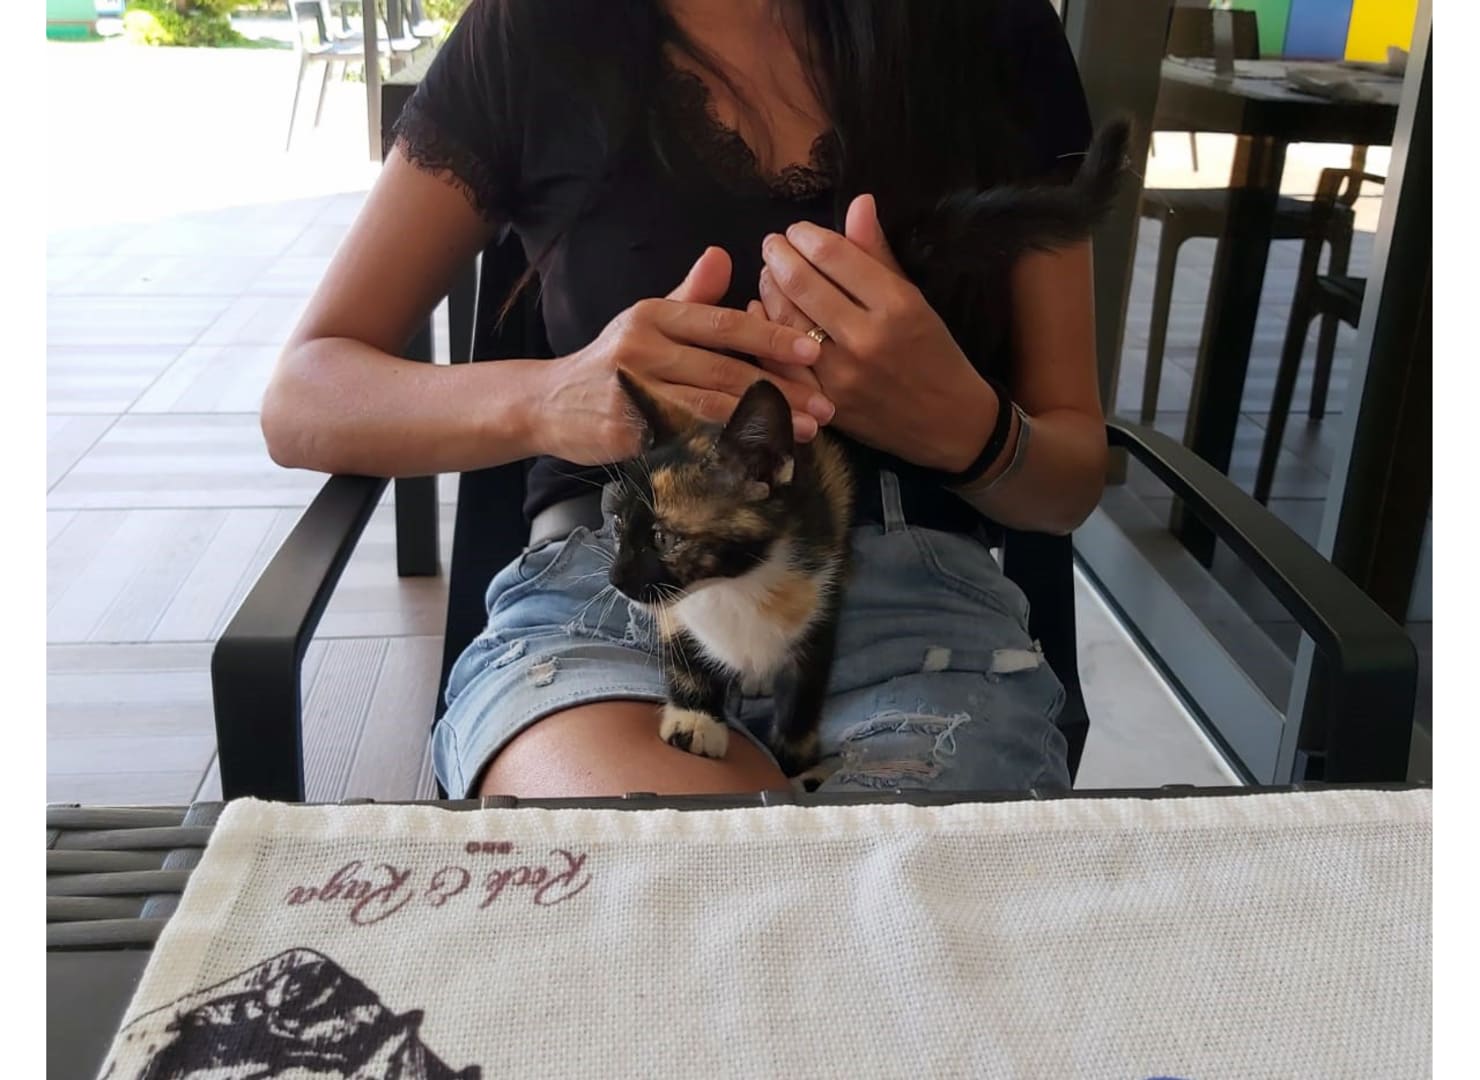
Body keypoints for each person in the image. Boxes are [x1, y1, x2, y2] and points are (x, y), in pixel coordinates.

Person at [261, 0, 1106, 798]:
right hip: (612, 599)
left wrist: (964, 423)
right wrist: (549, 396)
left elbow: (1069, 483)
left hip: (918, 623)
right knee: (687, 883)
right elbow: (304, 397)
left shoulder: (991, 29)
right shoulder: (535, 29)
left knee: (835, 898)